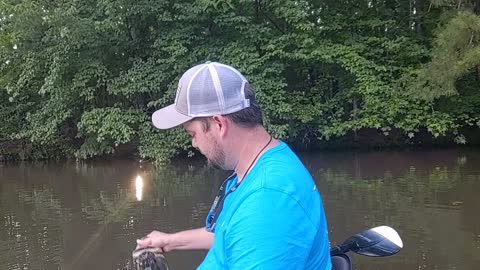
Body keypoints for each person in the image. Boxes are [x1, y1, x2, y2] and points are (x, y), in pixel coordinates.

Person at [136, 62, 332, 269]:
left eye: (192, 134)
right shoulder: (254, 168)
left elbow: (257, 228)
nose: (193, 143)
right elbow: (232, 235)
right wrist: (170, 241)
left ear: (219, 124)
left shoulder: (268, 199)